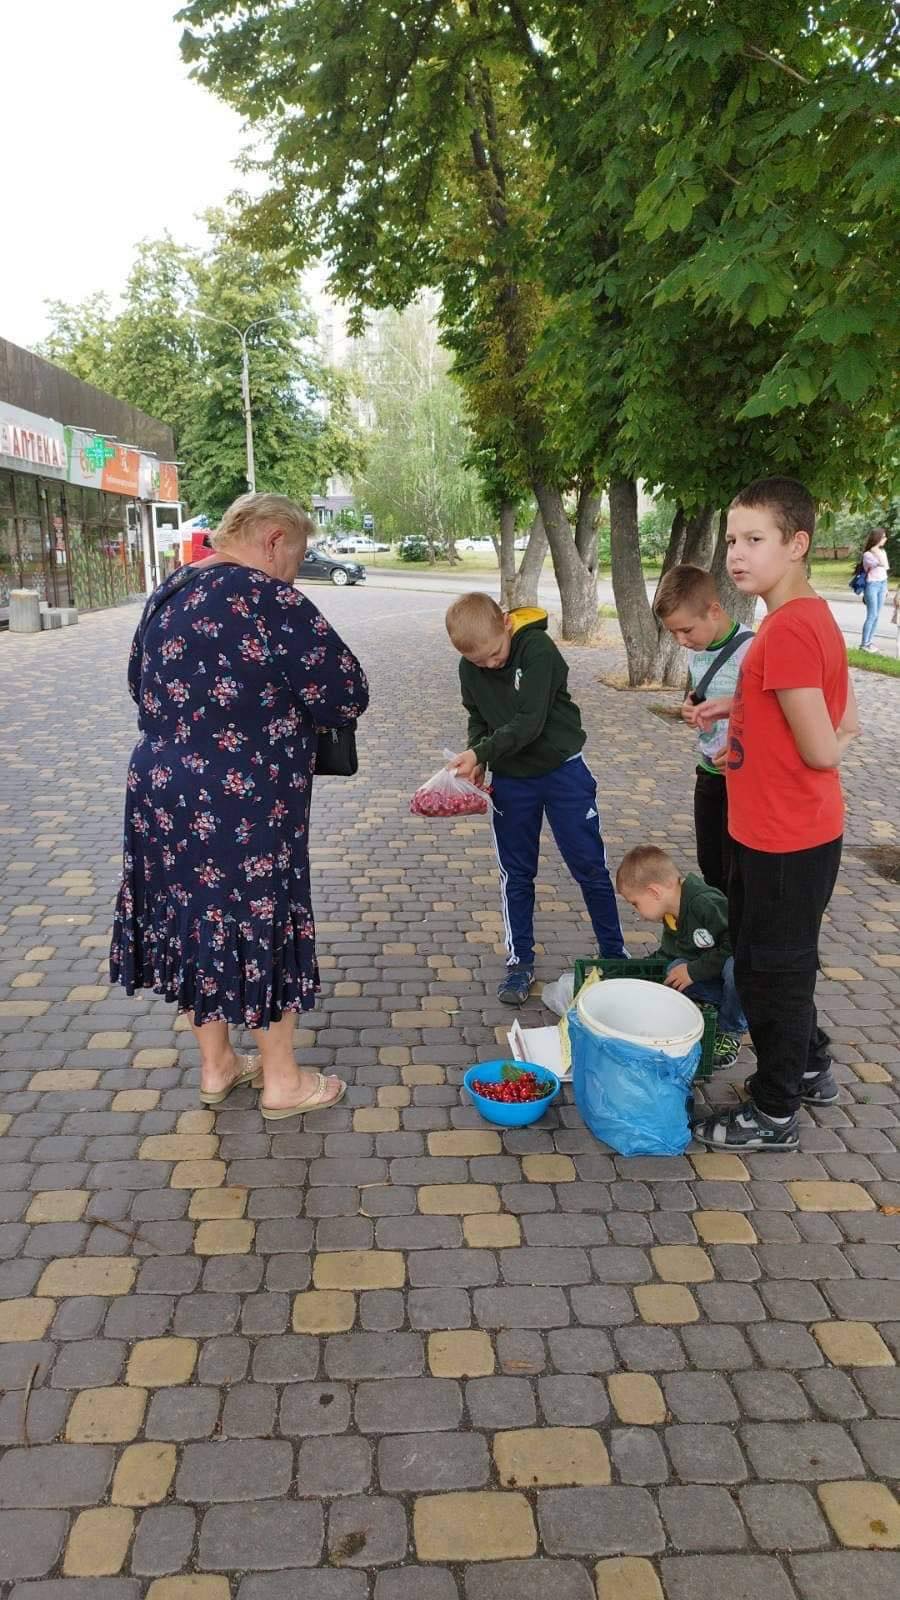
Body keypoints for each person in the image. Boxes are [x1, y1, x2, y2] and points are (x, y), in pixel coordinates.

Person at [110, 492, 369, 1119]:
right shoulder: (268, 600)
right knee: (260, 920)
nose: (294, 570)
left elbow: (137, 684)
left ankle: (218, 1065)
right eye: (297, 556)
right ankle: (283, 1082)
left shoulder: (170, 592)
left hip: (162, 788)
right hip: (243, 797)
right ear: (274, 539)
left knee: (196, 918)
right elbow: (346, 692)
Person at [692, 477, 860, 1152]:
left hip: (787, 838)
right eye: (732, 539)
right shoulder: (805, 616)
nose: (737, 553)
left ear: (797, 544)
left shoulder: (788, 630)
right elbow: (815, 708)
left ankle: (774, 1108)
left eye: (755, 539)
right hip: (776, 830)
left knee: (771, 973)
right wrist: (734, 708)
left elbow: (826, 740)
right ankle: (810, 1061)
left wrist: (839, 746)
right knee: (772, 961)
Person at [445, 593, 626, 1005]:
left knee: (590, 867)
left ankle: (615, 953)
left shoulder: (537, 649)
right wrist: (479, 758)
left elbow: (529, 722)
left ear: (506, 624)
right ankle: (519, 961)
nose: (490, 666)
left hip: (563, 770)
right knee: (516, 872)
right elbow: (478, 716)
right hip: (512, 779)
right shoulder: (469, 666)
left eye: (494, 655)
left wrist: (481, 752)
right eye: (479, 663)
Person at [653, 564, 754, 893]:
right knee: (710, 863)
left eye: (686, 630)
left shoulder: (751, 650)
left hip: (743, 778)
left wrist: (746, 747)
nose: (681, 641)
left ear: (714, 611)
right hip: (709, 770)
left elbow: (774, 712)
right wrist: (691, 706)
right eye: (672, 633)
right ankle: (720, 932)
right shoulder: (698, 651)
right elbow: (702, 693)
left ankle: (736, 939)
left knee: (736, 869)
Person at [616, 845, 747, 1069]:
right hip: (713, 974)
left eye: (635, 903)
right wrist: (632, 975)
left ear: (654, 892)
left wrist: (694, 971)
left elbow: (738, 944)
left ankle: (731, 1030)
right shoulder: (671, 914)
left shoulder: (704, 902)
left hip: (741, 971)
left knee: (735, 969)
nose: (637, 911)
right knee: (673, 968)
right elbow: (669, 953)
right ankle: (716, 1006)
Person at [859, 527, 890, 652]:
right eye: (883, 537)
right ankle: (864, 644)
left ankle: (869, 642)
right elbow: (882, 563)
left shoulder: (882, 552)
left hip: (882, 584)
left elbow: (885, 568)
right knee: (872, 615)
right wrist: (875, 550)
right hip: (872, 585)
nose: (885, 539)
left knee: (877, 615)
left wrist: (886, 587)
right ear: (877, 538)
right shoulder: (868, 554)